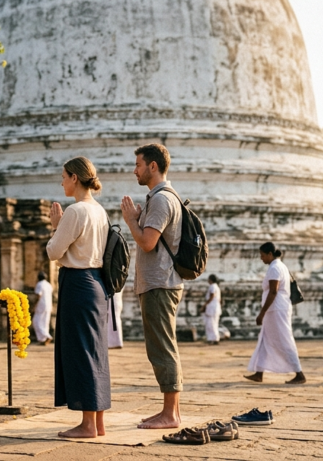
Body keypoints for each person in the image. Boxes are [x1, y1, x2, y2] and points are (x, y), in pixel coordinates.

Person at [119, 143, 184, 430]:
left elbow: (147, 242)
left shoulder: (160, 200)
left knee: (163, 348)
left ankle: (170, 414)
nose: (135, 170)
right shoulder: (158, 198)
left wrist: (131, 221)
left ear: (153, 166)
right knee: (160, 346)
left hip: (160, 282)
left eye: (138, 165)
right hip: (158, 282)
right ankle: (169, 411)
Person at [47, 156, 111, 439]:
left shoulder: (75, 212)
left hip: (77, 282)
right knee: (95, 352)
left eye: (64, 176)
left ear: (75, 178)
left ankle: (87, 424)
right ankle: (97, 421)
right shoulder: (100, 211)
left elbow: (54, 252)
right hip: (97, 284)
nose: (61, 181)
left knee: (81, 352)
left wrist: (55, 227)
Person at [243, 243, 306, 384]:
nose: (261, 258)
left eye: (263, 255)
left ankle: (299, 373)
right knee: (265, 339)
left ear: (270, 254)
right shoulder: (280, 266)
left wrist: (262, 312)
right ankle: (259, 372)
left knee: (285, 340)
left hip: (276, 309)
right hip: (276, 309)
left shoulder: (275, 268)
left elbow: (273, 291)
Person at [33, 272, 54, 345]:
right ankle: (43, 340)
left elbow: (38, 295)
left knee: (36, 321)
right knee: (45, 323)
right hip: (48, 305)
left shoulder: (39, 284)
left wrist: (34, 305)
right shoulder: (49, 285)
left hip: (41, 305)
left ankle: (46, 336)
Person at [203, 275, 222, 345]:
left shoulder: (213, 286)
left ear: (210, 279)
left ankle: (212, 339)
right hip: (216, 307)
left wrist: (205, 304)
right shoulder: (217, 287)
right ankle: (215, 338)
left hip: (212, 307)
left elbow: (212, 296)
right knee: (214, 323)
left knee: (211, 324)